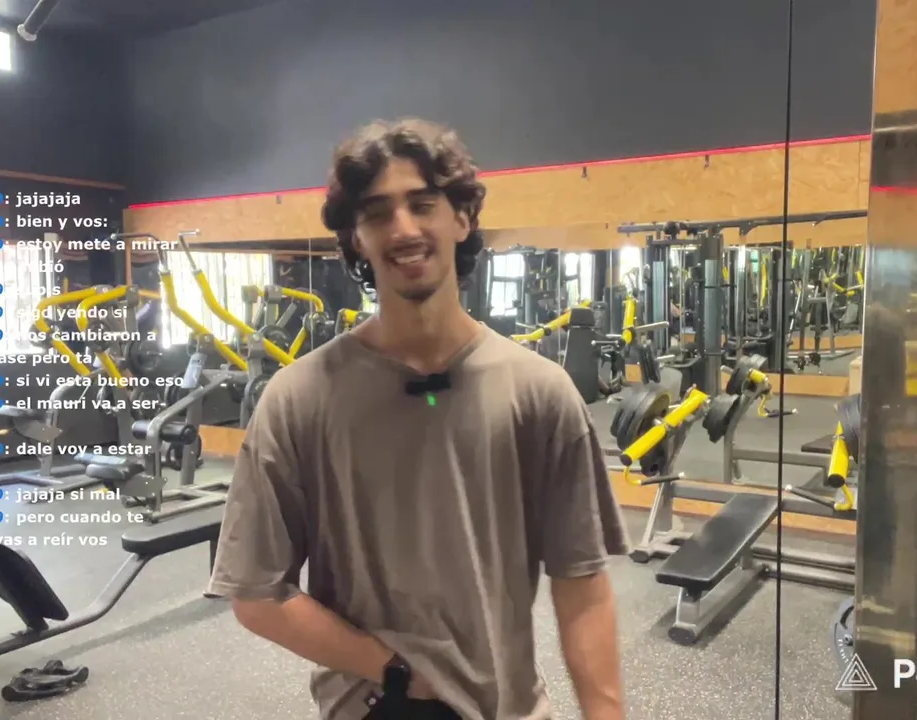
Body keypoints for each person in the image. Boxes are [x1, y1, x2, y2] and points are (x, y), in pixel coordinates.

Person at [208, 118, 629, 720]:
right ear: (356, 238)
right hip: (374, 704)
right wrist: (400, 673)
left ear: (463, 218)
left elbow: (581, 582)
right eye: (377, 213)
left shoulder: (541, 392)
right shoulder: (299, 399)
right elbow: (255, 592)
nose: (403, 229)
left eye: (423, 204)